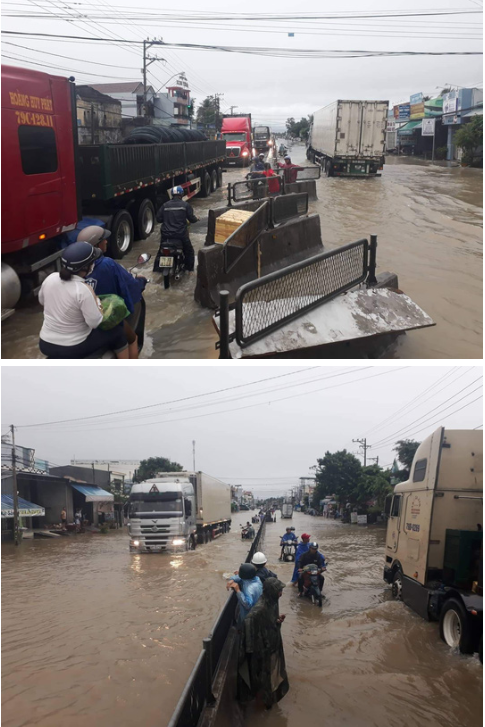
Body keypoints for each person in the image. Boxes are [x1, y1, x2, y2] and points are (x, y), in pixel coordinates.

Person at [38, 242, 129, 359]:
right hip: (72, 347)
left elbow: (42, 301)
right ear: (85, 267)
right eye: (92, 262)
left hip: (45, 344)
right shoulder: (83, 290)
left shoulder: (50, 278)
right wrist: (98, 304)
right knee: (118, 333)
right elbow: (94, 322)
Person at [80, 225, 147, 360]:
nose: (106, 242)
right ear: (97, 245)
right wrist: (141, 283)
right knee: (132, 340)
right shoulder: (107, 264)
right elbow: (130, 287)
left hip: (83, 325)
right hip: (108, 319)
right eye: (103, 239)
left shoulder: (73, 270)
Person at [237, 577, 289, 709]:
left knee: (269, 674)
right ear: (272, 591)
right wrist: (250, 649)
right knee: (262, 677)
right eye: (279, 591)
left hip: (270, 645)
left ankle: (267, 699)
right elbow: (248, 622)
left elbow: (268, 621)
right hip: (260, 650)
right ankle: (265, 702)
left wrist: (277, 621)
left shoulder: (272, 602)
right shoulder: (259, 608)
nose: (281, 594)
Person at [155, 186, 199, 273]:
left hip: (166, 235)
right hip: (181, 235)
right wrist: (196, 218)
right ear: (181, 194)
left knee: (160, 253)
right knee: (189, 251)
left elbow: (158, 219)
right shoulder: (185, 205)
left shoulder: (165, 205)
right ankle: (189, 270)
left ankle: (157, 270)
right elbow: (192, 219)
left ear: (172, 194)